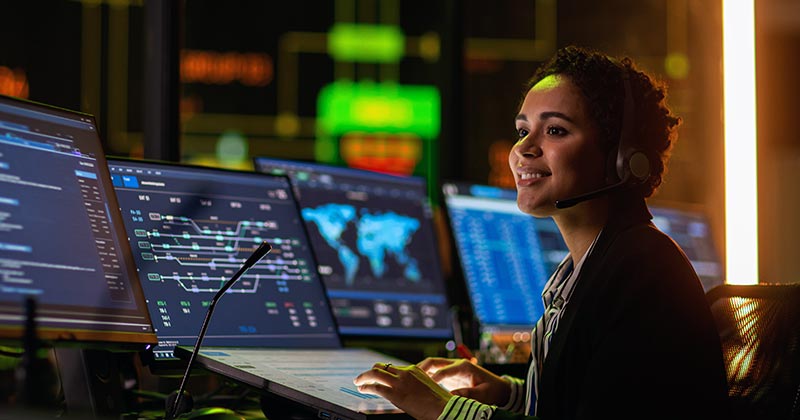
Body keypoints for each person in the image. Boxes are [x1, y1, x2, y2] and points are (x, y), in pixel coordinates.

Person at [353, 45, 729, 420]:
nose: (522, 150)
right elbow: (590, 397)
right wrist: (506, 393)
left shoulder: (642, 275)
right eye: (522, 130)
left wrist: (446, 410)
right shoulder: (589, 268)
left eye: (554, 130)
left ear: (620, 156)